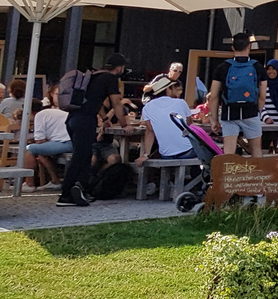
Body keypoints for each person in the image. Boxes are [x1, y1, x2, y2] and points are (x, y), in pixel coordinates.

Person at [58, 53, 127, 208]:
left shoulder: (93, 76)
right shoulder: (110, 78)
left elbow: (95, 102)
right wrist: (124, 124)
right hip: (85, 120)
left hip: (73, 118)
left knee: (85, 155)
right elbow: (116, 103)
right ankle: (65, 194)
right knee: (80, 157)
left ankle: (81, 188)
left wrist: (104, 118)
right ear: (120, 67)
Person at [209, 33, 264, 157]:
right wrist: (257, 111)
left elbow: (213, 96)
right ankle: (258, 175)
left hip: (229, 113)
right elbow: (262, 95)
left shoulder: (223, 67)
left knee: (229, 151)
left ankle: (229, 175)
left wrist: (214, 120)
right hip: (251, 111)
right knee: (256, 149)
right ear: (249, 46)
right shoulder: (257, 67)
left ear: (232, 48)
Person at [135, 77, 198, 168]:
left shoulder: (147, 107)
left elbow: (150, 131)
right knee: (205, 150)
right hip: (187, 151)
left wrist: (146, 154)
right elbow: (190, 125)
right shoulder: (180, 102)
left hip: (166, 154)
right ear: (168, 89)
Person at [26, 100, 72, 189]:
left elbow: (40, 140)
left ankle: (29, 184)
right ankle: (55, 181)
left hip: (64, 142)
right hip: (70, 141)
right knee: (41, 152)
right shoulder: (52, 112)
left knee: (29, 149)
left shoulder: (39, 115)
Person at [260, 59, 278, 127]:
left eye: (273, 69)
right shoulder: (262, 85)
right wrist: (266, 118)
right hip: (266, 125)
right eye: (268, 69)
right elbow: (259, 103)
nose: (271, 71)